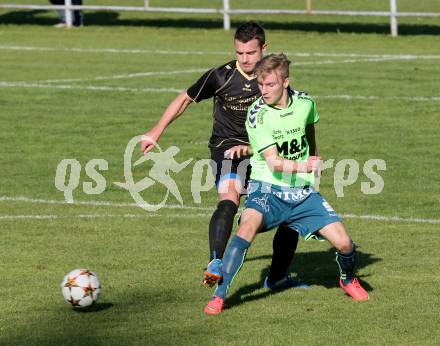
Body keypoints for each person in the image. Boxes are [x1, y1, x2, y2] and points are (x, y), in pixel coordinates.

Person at [204, 53, 369, 315]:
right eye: (260, 84)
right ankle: (219, 295)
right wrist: (306, 165)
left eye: (270, 85)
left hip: (302, 191)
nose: (263, 90)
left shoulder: (305, 103)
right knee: (246, 227)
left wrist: (313, 159)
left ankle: (348, 279)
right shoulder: (258, 114)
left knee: (345, 244)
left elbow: (309, 128)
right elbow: (273, 162)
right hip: (266, 188)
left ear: (285, 82)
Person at [141, 23, 303, 290]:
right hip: (227, 150)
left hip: (264, 152)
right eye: (239, 53)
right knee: (228, 198)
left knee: (291, 213)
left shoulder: (273, 82)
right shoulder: (221, 76)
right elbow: (184, 99)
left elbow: (292, 117)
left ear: (264, 48)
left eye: (250, 53)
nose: (245, 59)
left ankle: (277, 278)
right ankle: (215, 263)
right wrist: (155, 132)